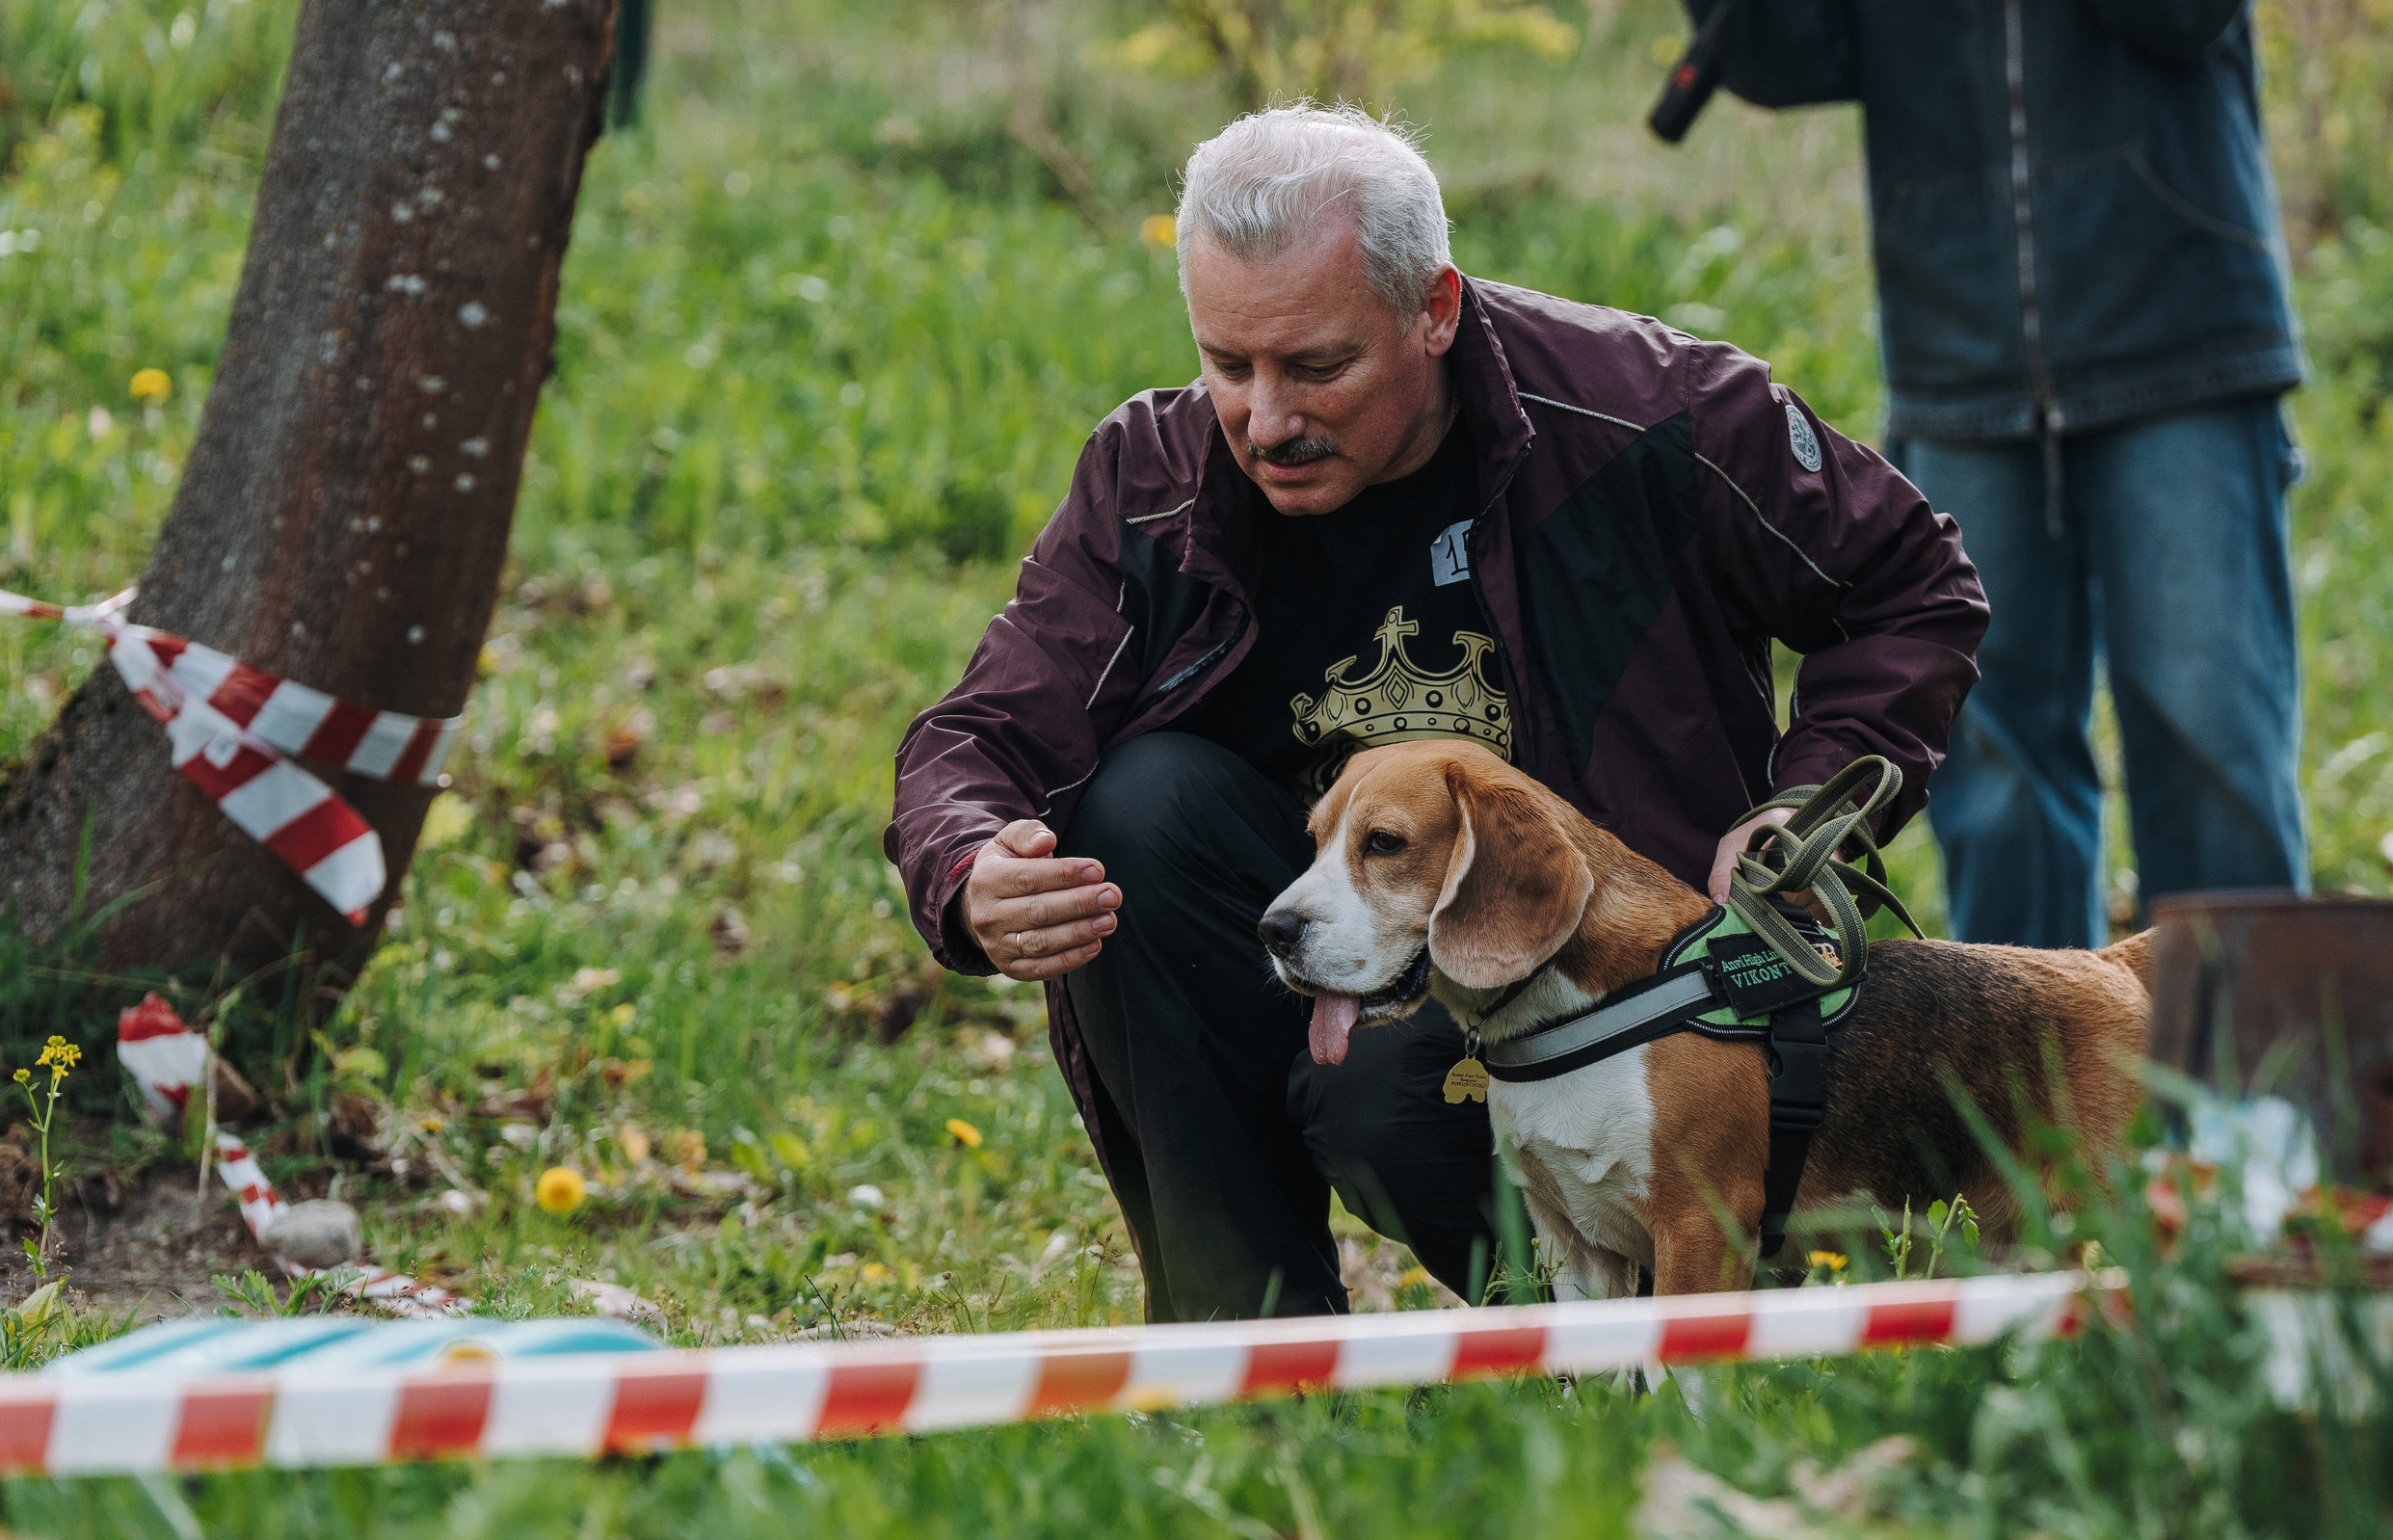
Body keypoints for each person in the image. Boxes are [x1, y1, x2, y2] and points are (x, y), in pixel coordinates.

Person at [885, 105, 1987, 1322]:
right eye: (1226, 363)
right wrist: (972, 862)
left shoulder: (1653, 418)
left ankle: (1606, 1321)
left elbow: (1909, 588)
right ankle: (1244, 1349)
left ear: (1436, 309)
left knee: (1382, 1099)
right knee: (1136, 810)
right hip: (1332, 922)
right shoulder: (1148, 477)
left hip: (1620, 987)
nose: (1264, 419)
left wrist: (1802, 810)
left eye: (1316, 367)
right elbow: (978, 734)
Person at [1693, 1, 2309, 947]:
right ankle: (2033, 1089)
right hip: (1956, 358)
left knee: (2210, 738)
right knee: (1992, 764)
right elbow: (1784, 55)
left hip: (2185, 339)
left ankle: (2238, 1088)